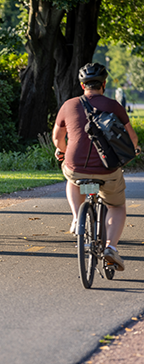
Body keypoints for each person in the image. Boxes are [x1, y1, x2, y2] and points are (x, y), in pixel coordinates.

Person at [52, 62, 140, 271]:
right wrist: (132, 151)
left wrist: (62, 151)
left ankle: (76, 218)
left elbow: (57, 137)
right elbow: (132, 138)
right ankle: (111, 248)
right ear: (104, 84)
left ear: (82, 86)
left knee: (72, 178)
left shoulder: (69, 105)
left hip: (77, 167)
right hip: (107, 169)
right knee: (116, 206)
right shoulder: (113, 106)